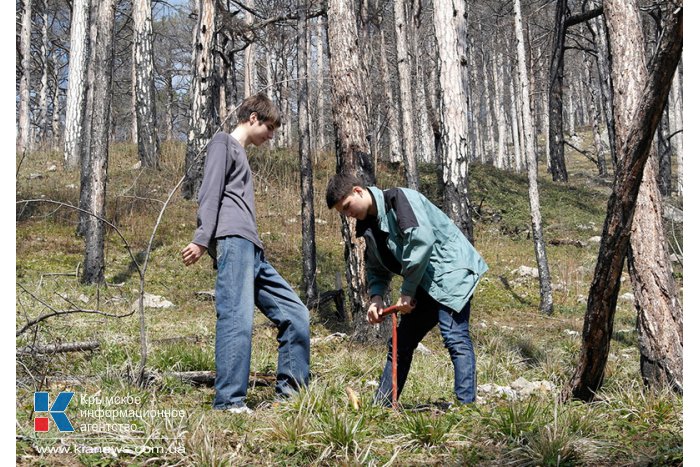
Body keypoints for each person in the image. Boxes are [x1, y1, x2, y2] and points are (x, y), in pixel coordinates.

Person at [182, 94, 310, 414]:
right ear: (252, 118)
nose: (270, 135)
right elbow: (209, 191)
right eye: (269, 127)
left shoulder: (239, 153)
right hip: (233, 241)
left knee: (296, 315)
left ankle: (290, 400)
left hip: (253, 249)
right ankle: (229, 402)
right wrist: (201, 238)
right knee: (237, 319)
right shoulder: (222, 143)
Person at [325, 173, 488, 406]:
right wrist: (376, 297)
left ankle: (467, 409)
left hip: (451, 273)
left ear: (358, 191)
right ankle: (380, 407)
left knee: (455, 337)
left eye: (348, 207)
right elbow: (376, 268)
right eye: (343, 213)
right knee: (401, 343)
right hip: (424, 282)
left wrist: (407, 292)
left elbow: (421, 242)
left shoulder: (400, 200)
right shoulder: (369, 227)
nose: (348, 215)